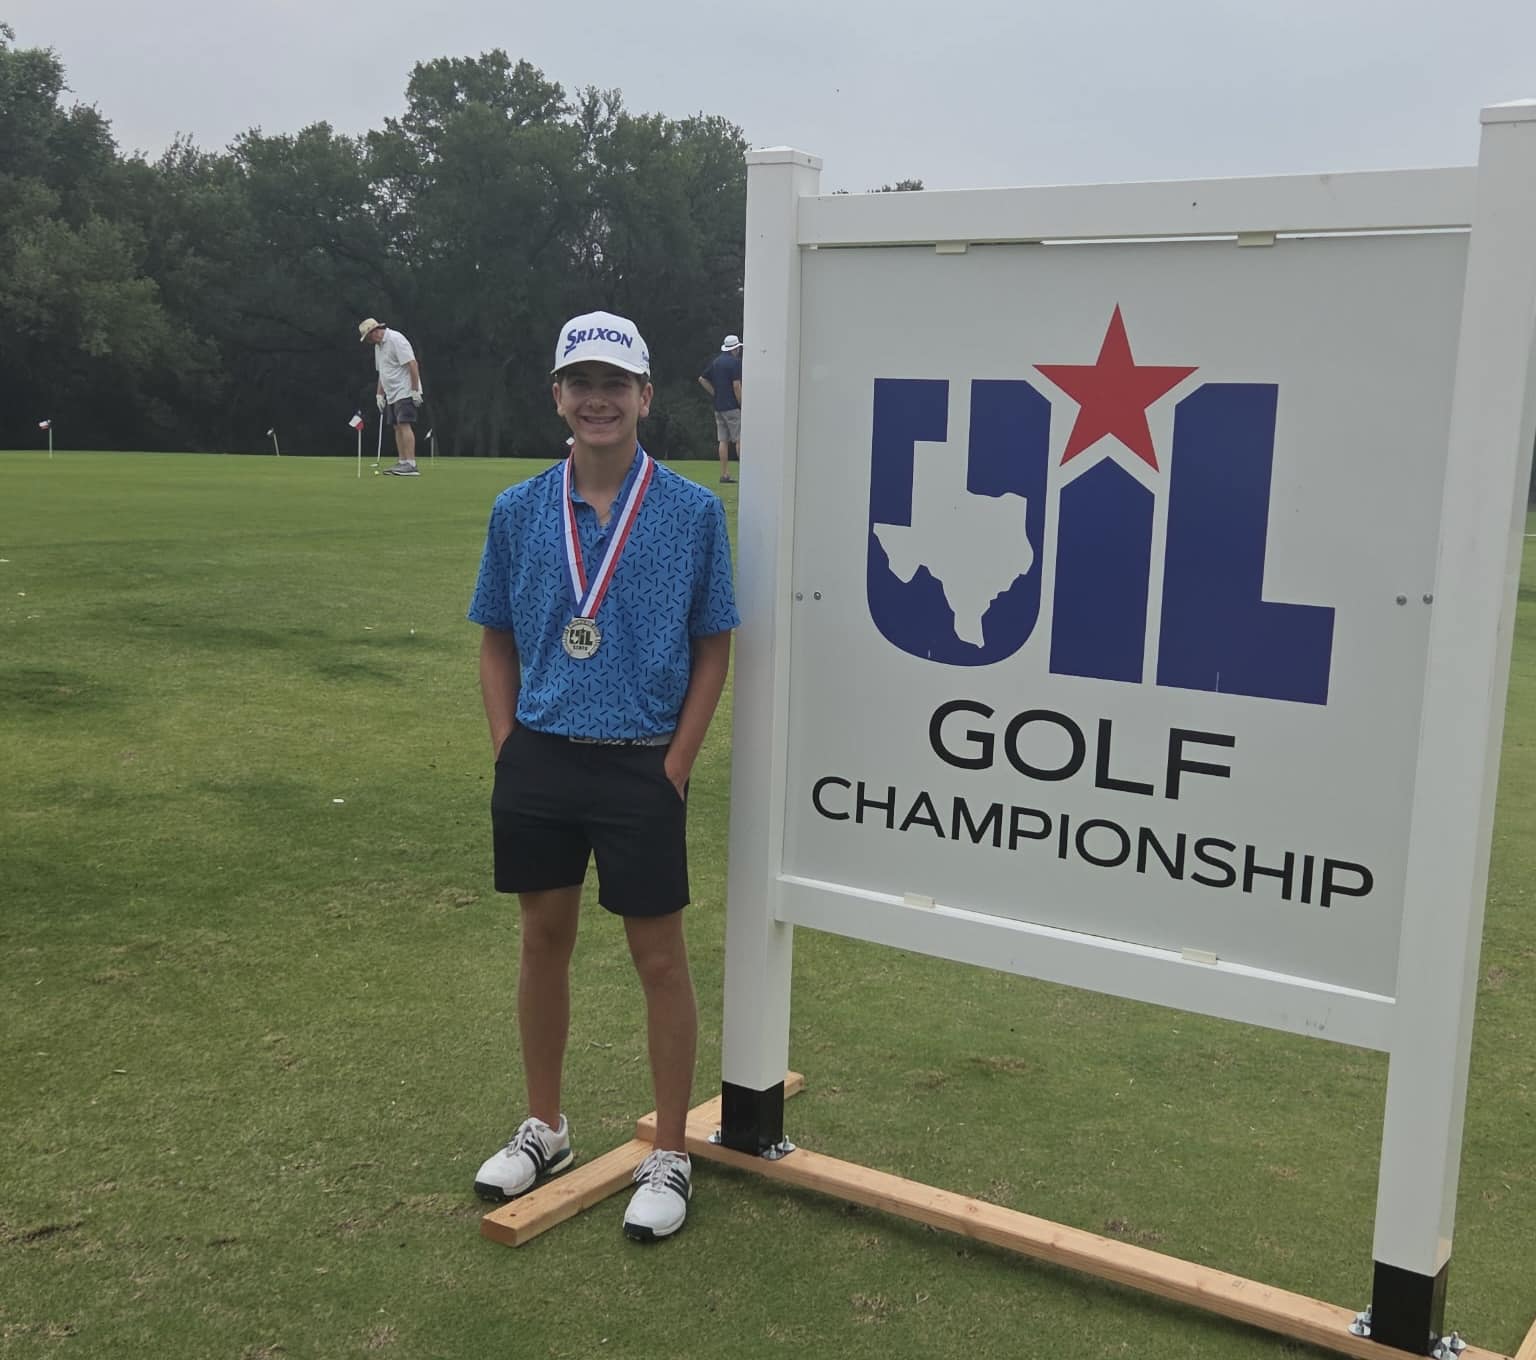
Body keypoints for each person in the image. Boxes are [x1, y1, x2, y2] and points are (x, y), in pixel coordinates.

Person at [466, 309, 739, 1242]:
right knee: (543, 941)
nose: (597, 400)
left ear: (645, 396)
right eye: (580, 383)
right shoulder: (517, 508)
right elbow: (495, 633)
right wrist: (508, 742)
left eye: (615, 384)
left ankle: (670, 1148)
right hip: (540, 753)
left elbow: (714, 646)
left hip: (640, 763)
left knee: (658, 958)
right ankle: (546, 1127)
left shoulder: (693, 511)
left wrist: (676, 764)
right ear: (557, 396)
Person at [358, 317, 424, 476]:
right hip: (391, 392)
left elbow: (412, 364)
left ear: (374, 331)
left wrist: (415, 390)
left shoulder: (395, 339)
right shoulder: (378, 347)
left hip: (405, 389)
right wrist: (379, 394)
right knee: (396, 426)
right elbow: (383, 371)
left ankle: (411, 464)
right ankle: (402, 462)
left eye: (368, 337)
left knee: (404, 424)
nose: (369, 341)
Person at [697, 333, 743, 483]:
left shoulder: (716, 362)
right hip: (732, 407)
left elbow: (702, 379)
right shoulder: (735, 363)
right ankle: (745, 473)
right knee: (739, 439)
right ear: (735, 349)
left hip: (719, 407)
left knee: (723, 440)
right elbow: (736, 386)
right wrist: (741, 403)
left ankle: (725, 474)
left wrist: (715, 393)